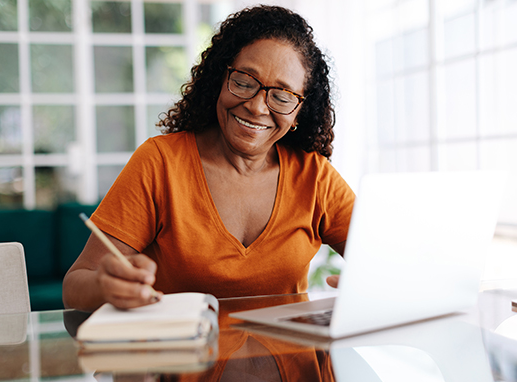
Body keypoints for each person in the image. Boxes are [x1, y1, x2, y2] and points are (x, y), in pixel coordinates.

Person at [62, 5, 355, 311]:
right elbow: (75, 285)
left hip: (292, 358)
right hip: (184, 355)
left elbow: (390, 264)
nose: (256, 107)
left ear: (298, 112)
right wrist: (105, 286)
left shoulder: (314, 177)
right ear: (220, 78)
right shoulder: (160, 163)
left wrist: (371, 284)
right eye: (243, 81)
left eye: (281, 96)